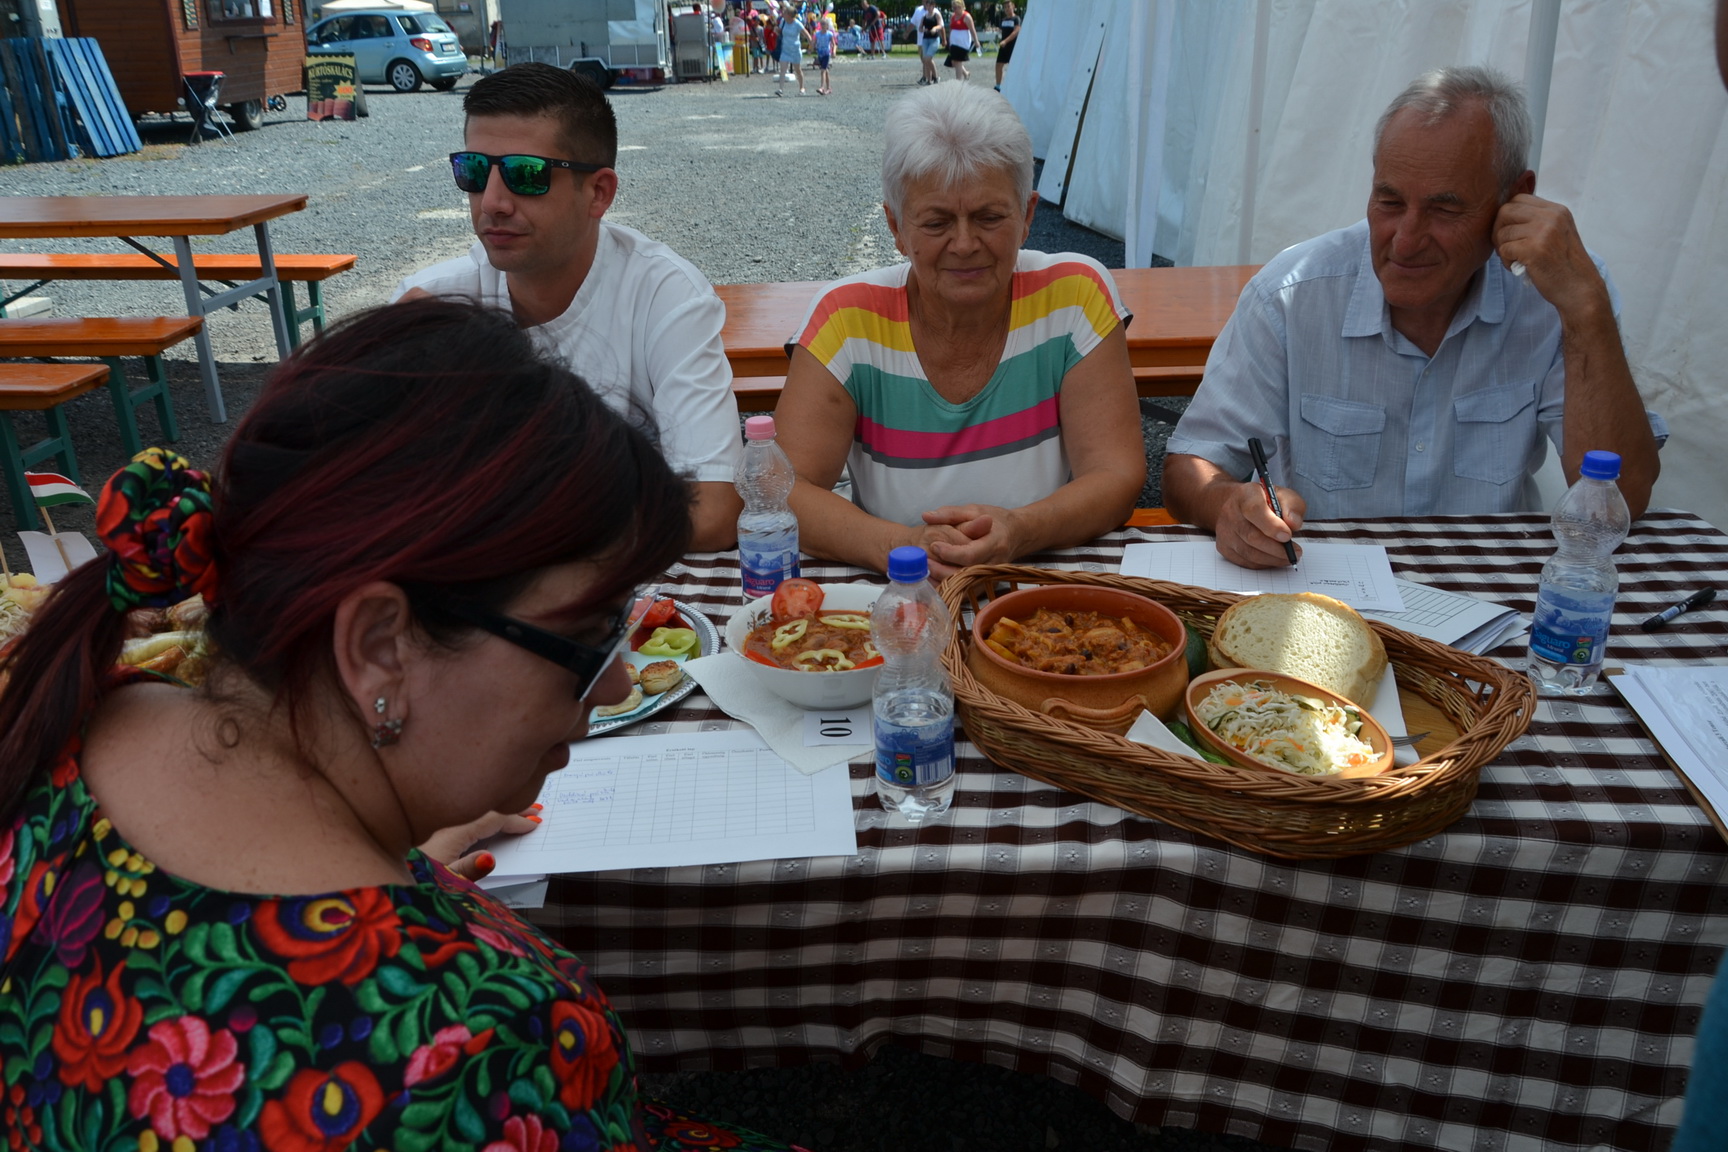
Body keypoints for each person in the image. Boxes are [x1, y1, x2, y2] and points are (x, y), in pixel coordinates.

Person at [0, 299, 809, 1152]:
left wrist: (400, 865)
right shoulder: (476, 1047)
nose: (612, 684)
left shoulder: (75, 717)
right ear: (379, 645)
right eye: (587, 635)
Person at [1163, 66, 1665, 569]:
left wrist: (1586, 311)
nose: (1405, 240)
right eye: (1389, 201)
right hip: (1325, 587)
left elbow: (1624, 496)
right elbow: (1189, 467)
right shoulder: (1292, 295)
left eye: (1445, 210)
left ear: (1516, 198)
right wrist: (1229, 505)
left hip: (1491, 582)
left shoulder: (1558, 291)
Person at [774, 82, 1145, 577]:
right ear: (896, 228)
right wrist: (903, 547)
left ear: (1028, 215)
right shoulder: (845, 318)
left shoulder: (1076, 295)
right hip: (900, 594)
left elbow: (1117, 474)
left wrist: (1022, 530)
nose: (965, 243)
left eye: (989, 217)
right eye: (937, 223)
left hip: (1041, 582)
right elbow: (785, 491)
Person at [392, 64, 743, 552]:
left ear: (598, 193)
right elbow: (378, 494)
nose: (491, 202)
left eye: (526, 174)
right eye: (473, 170)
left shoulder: (663, 296)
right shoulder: (434, 306)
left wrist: (505, 528)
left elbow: (714, 511)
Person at [774, 2, 812, 95]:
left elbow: (807, 35)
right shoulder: (783, 22)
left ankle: (802, 88)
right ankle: (780, 89)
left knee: (797, 70)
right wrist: (776, 31)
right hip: (785, 49)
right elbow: (780, 32)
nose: (783, 14)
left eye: (785, 13)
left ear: (789, 15)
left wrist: (811, 46)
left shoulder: (797, 24)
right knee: (783, 69)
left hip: (795, 50)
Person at [944, 0, 976, 82]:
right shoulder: (953, 16)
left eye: (958, 7)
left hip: (963, 42)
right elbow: (951, 29)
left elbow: (972, 30)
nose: (956, 9)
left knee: (958, 61)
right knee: (954, 61)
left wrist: (976, 41)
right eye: (954, 8)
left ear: (962, 7)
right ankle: (966, 73)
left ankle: (958, 81)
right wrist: (949, 40)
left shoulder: (967, 17)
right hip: (954, 42)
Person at [913, 2, 943, 85]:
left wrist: (935, 28)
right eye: (927, 5)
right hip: (925, 39)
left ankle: (936, 77)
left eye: (930, 5)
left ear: (933, 6)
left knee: (928, 58)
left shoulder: (936, 15)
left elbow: (940, 25)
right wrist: (923, 30)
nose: (928, 7)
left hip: (934, 39)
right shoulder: (924, 16)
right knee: (925, 60)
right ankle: (929, 80)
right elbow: (919, 28)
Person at [995, 0, 1020, 90]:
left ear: (1013, 6)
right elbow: (1002, 31)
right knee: (998, 65)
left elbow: (1016, 32)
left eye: (1008, 6)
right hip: (1003, 46)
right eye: (1005, 7)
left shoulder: (1016, 19)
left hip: (1012, 46)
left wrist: (1006, 41)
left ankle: (1014, 86)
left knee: (1013, 67)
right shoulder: (1003, 20)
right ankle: (998, 86)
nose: (1007, 9)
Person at [812, 17, 836, 95]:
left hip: (826, 54)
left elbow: (833, 44)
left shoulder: (829, 34)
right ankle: (829, 88)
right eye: (821, 24)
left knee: (823, 70)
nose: (822, 25)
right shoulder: (817, 34)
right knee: (826, 71)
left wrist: (833, 52)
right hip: (820, 54)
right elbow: (814, 43)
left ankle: (822, 87)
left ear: (827, 25)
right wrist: (811, 49)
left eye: (824, 24)